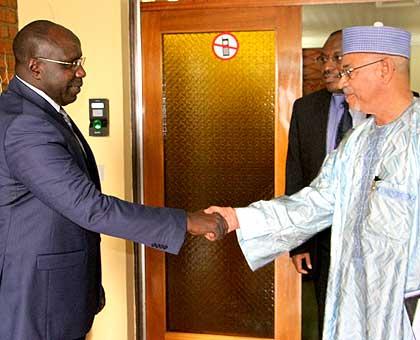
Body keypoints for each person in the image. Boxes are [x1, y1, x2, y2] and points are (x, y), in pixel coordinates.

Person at [0, 20, 227, 340]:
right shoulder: (26, 125)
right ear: (36, 66)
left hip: (59, 296)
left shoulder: (39, 113)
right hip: (38, 303)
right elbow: (90, 207)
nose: (81, 72)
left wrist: (88, 288)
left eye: (81, 62)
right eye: (71, 64)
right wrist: (186, 221)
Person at [207, 24, 420, 339]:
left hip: (406, 309)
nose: (341, 80)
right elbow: (315, 202)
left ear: (384, 69)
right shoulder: (356, 142)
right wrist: (239, 217)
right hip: (353, 305)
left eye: (348, 70)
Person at [287, 29, 367, 338]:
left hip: (373, 239)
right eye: (323, 58)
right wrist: (299, 241)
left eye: (336, 57)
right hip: (323, 238)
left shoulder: (387, 108)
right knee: (326, 318)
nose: (327, 66)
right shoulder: (305, 109)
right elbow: (297, 175)